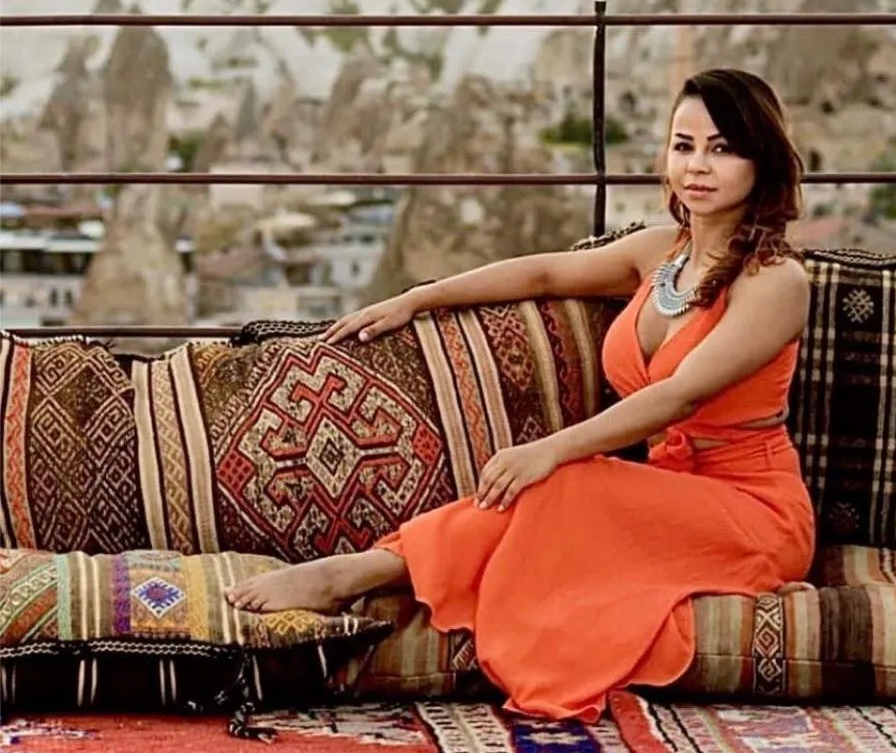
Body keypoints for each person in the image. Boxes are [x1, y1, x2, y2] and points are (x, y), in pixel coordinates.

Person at [226, 68, 816, 722]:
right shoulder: (659, 254)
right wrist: (417, 296)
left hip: (754, 508)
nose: (697, 165)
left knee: (566, 481)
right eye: (683, 145)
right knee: (561, 489)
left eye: (723, 147)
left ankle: (352, 575)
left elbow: (677, 396)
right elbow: (539, 270)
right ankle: (360, 571)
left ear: (761, 162)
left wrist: (548, 449)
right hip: (666, 492)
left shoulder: (776, 280)